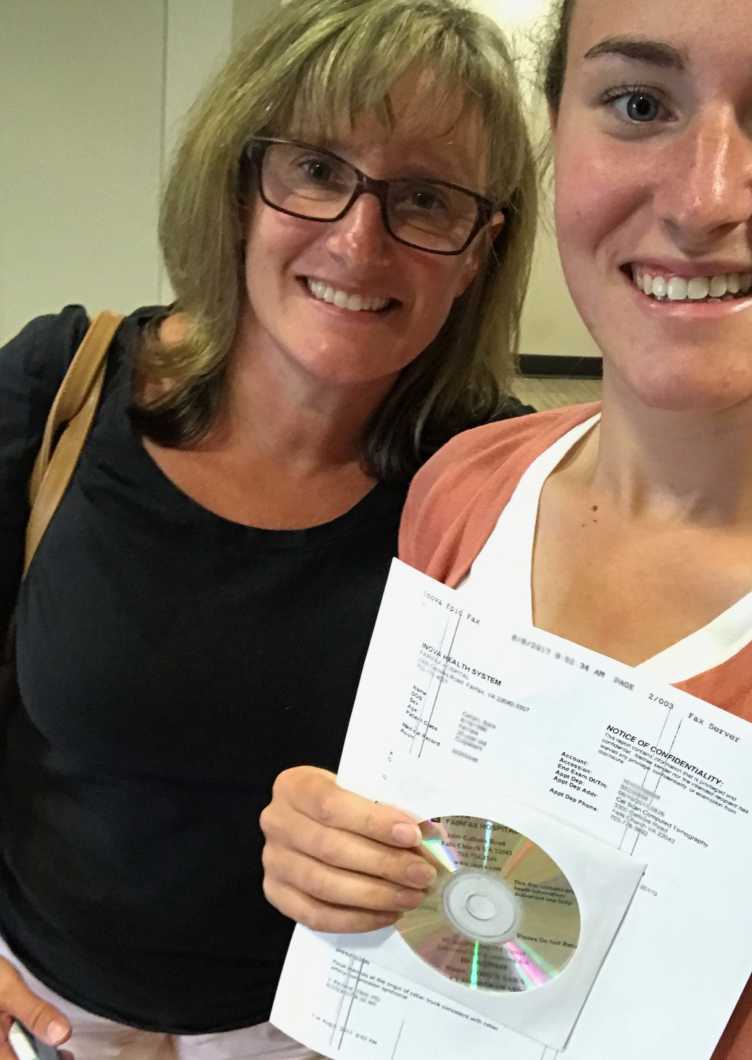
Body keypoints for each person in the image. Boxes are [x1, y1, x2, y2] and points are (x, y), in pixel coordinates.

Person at [260, 0, 752, 1055]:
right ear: (561, 133)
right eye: (640, 102)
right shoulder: (466, 486)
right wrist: (327, 850)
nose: (703, 202)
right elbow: (431, 881)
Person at [0, 0, 538, 1056]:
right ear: (242, 184)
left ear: (480, 249)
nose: (357, 238)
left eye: (425, 199)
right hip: (41, 1008)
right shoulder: (59, 386)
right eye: (318, 171)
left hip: (328, 1027)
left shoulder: (501, 485)